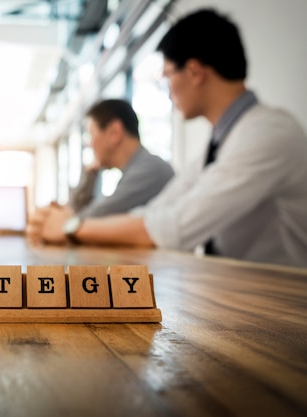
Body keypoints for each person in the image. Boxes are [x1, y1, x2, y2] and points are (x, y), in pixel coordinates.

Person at [27, 9, 307, 268]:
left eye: (168, 75)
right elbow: (155, 211)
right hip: (249, 296)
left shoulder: (269, 134)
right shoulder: (222, 143)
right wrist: (71, 223)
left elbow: (175, 228)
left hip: (285, 306)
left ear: (195, 72)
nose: (168, 90)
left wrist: (70, 226)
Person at [65, 99, 173, 223]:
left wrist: (62, 222)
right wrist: (90, 175)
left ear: (115, 132)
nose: (90, 145)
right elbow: (79, 216)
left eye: (91, 135)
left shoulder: (149, 170)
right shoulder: (137, 169)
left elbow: (84, 221)